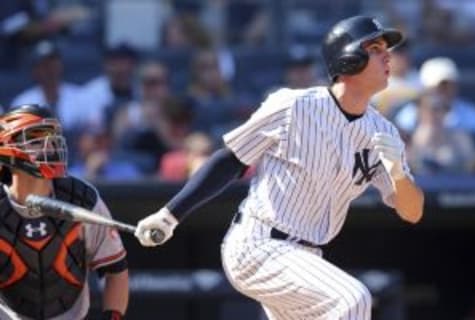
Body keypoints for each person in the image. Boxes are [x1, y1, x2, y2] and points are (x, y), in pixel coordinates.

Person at [135, 15, 424, 319]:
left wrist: (398, 174)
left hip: (307, 258)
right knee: (353, 300)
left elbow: (412, 211)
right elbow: (231, 160)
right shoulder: (293, 105)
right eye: (376, 47)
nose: (387, 55)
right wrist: (170, 215)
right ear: (349, 58)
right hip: (259, 244)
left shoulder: (384, 133)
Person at [0, 104, 129, 319]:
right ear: (7, 146)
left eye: (52, 137)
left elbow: (115, 270)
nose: (49, 146)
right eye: (36, 138)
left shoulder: (82, 198)